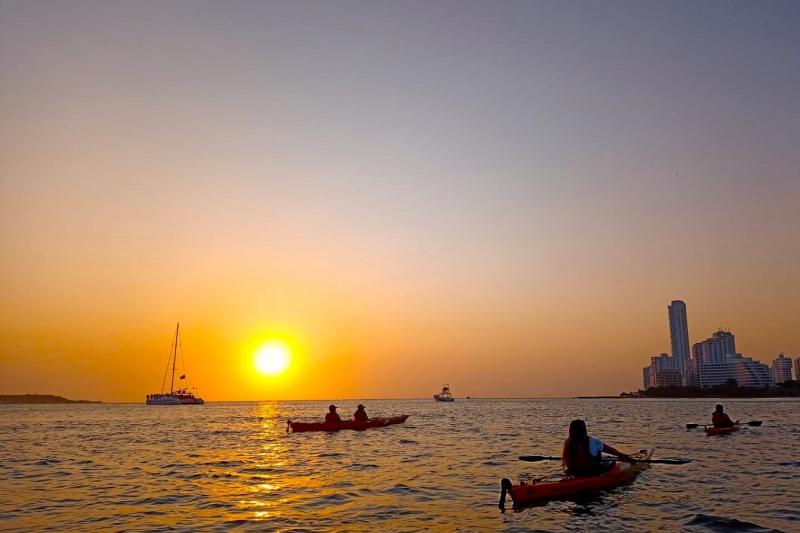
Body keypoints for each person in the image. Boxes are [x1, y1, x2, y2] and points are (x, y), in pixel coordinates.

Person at [562, 419, 633, 476]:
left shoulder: (567, 443)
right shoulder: (592, 442)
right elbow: (611, 450)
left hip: (572, 473)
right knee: (612, 461)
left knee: (605, 457)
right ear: (584, 430)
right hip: (591, 473)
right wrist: (623, 456)